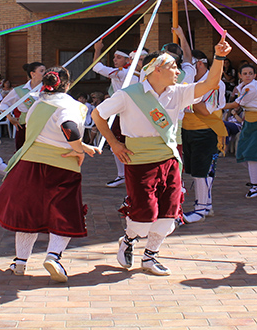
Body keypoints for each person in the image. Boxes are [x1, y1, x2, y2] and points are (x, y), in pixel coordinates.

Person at [92, 35, 232, 277]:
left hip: (169, 156)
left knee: (170, 210)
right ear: (156, 70)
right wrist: (114, 143)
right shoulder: (128, 94)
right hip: (138, 158)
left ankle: (150, 256)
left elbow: (209, 85)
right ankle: (129, 238)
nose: (178, 71)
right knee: (145, 213)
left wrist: (219, 57)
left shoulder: (177, 92)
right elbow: (98, 115)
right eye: (173, 67)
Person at [0, 67, 100, 282]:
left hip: (29, 164)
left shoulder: (37, 103)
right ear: (67, 84)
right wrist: (79, 148)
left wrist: (80, 145)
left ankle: (20, 262)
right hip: (60, 166)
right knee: (64, 212)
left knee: (28, 213)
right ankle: (53, 256)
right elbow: (69, 129)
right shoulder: (69, 105)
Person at [178, 50, 226, 223]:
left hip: (207, 131)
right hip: (188, 130)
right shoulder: (189, 83)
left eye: (188, 65)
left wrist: (187, 97)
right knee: (196, 171)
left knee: (202, 171)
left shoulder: (216, 83)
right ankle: (206, 205)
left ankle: (201, 208)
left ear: (199, 64)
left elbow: (206, 110)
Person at [223, 63, 257, 199]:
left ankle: (255, 185)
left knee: (251, 154)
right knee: (242, 151)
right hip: (250, 122)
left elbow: (236, 104)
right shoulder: (242, 87)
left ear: (254, 75)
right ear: (240, 75)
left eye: (250, 73)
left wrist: (215, 106)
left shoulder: (252, 87)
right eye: (245, 73)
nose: (248, 76)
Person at [91, 42, 138, 188]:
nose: (115, 60)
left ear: (128, 60)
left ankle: (123, 175)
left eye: (118, 57)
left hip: (125, 113)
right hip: (124, 112)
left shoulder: (123, 73)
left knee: (118, 143)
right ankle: (125, 174)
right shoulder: (126, 72)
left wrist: (98, 50)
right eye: (114, 57)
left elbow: (97, 67)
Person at [0, 62, 46, 151]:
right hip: (24, 127)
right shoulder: (19, 90)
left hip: (42, 127)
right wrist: (9, 117)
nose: (45, 73)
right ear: (33, 74)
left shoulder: (47, 90)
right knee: (22, 153)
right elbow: (4, 104)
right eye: (42, 71)